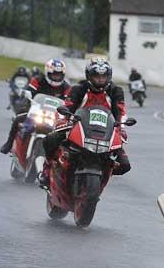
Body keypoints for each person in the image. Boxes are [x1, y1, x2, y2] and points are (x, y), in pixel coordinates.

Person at [39, 58, 130, 187]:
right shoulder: (79, 88)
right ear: (89, 75)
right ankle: (47, 170)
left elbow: (121, 112)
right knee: (49, 140)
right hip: (78, 127)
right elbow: (68, 106)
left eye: (103, 76)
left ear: (109, 76)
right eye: (96, 76)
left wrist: (121, 128)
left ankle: (103, 172)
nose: (100, 79)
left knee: (125, 165)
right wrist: (64, 120)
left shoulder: (116, 91)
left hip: (106, 131)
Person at [0, 59, 70, 154]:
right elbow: (29, 90)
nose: (56, 77)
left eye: (59, 74)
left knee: (67, 132)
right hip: (36, 109)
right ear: (47, 72)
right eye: (54, 74)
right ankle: (9, 143)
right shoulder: (38, 79)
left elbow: (69, 101)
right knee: (18, 117)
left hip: (55, 114)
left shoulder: (66, 87)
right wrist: (26, 93)